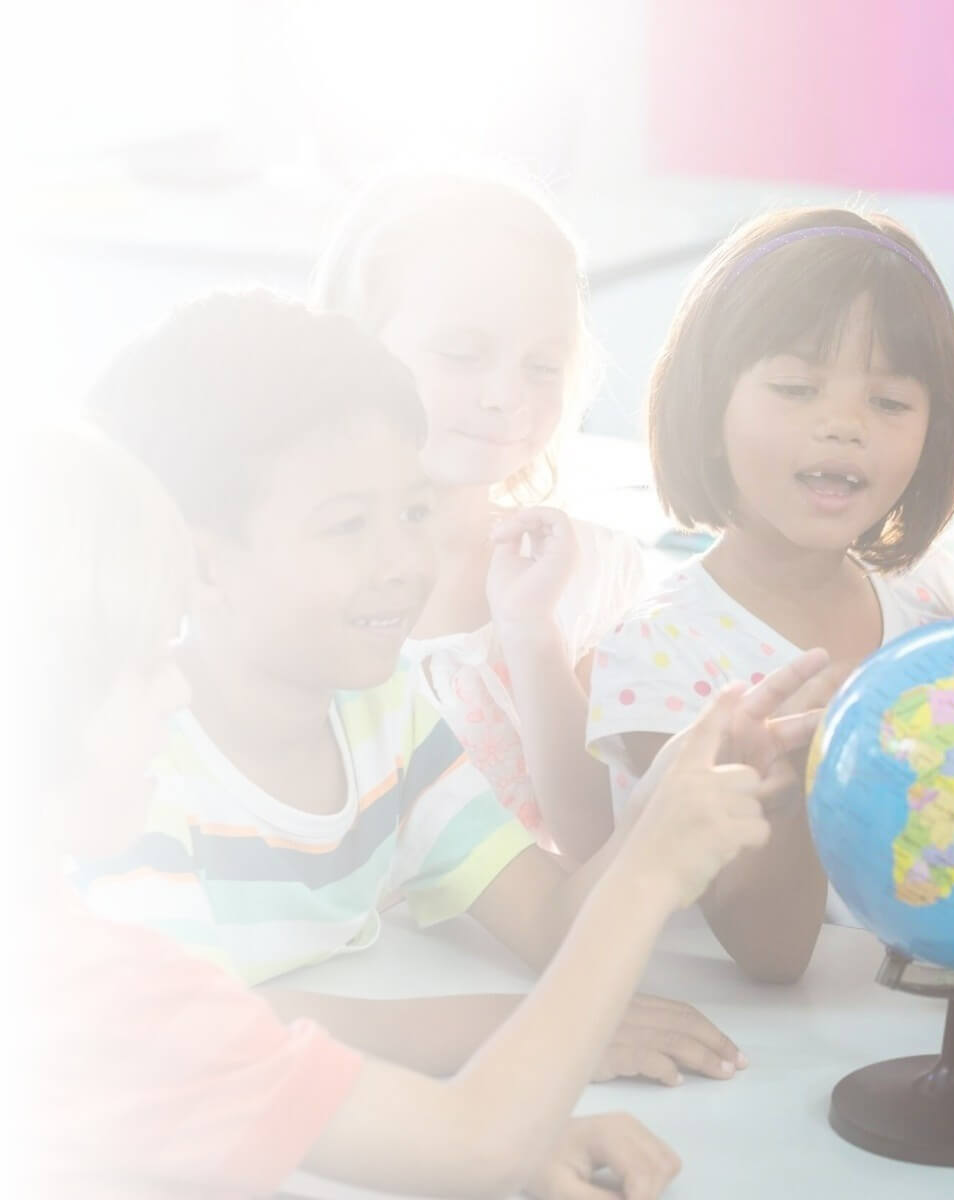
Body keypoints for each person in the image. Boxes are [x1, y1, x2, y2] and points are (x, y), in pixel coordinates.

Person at [26, 424, 823, 1198]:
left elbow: (214, 1109)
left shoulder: (62, 953)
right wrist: (648, 871)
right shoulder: (89, 990)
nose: (172, 687)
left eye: (414, 512)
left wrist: (462, 1144)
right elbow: (470, 1142)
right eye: (138, 667)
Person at [78, 291, 747, 1088]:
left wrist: (660, 816)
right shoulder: (131, 761)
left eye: (414, 511)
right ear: (205, 563)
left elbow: (553, 922)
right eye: (348, 526)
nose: (402, 563)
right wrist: (514, 1034)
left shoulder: (386, 718)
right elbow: (187, 1028)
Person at [587, 207, 954, 982]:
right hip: (760, 1056)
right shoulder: (658, 654)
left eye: (890, 403)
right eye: (796, 387)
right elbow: (769, 951)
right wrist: (811, 766)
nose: (843, 426)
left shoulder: (931, 603)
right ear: (707, 414)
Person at [314, 167, 645, 858]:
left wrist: (531, 636)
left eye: (543, 366)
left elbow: (597, 843)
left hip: (526, 955)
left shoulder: (585, 575)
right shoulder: (294, 567)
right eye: (463, 354)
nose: (505, 395)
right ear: (354, 343)